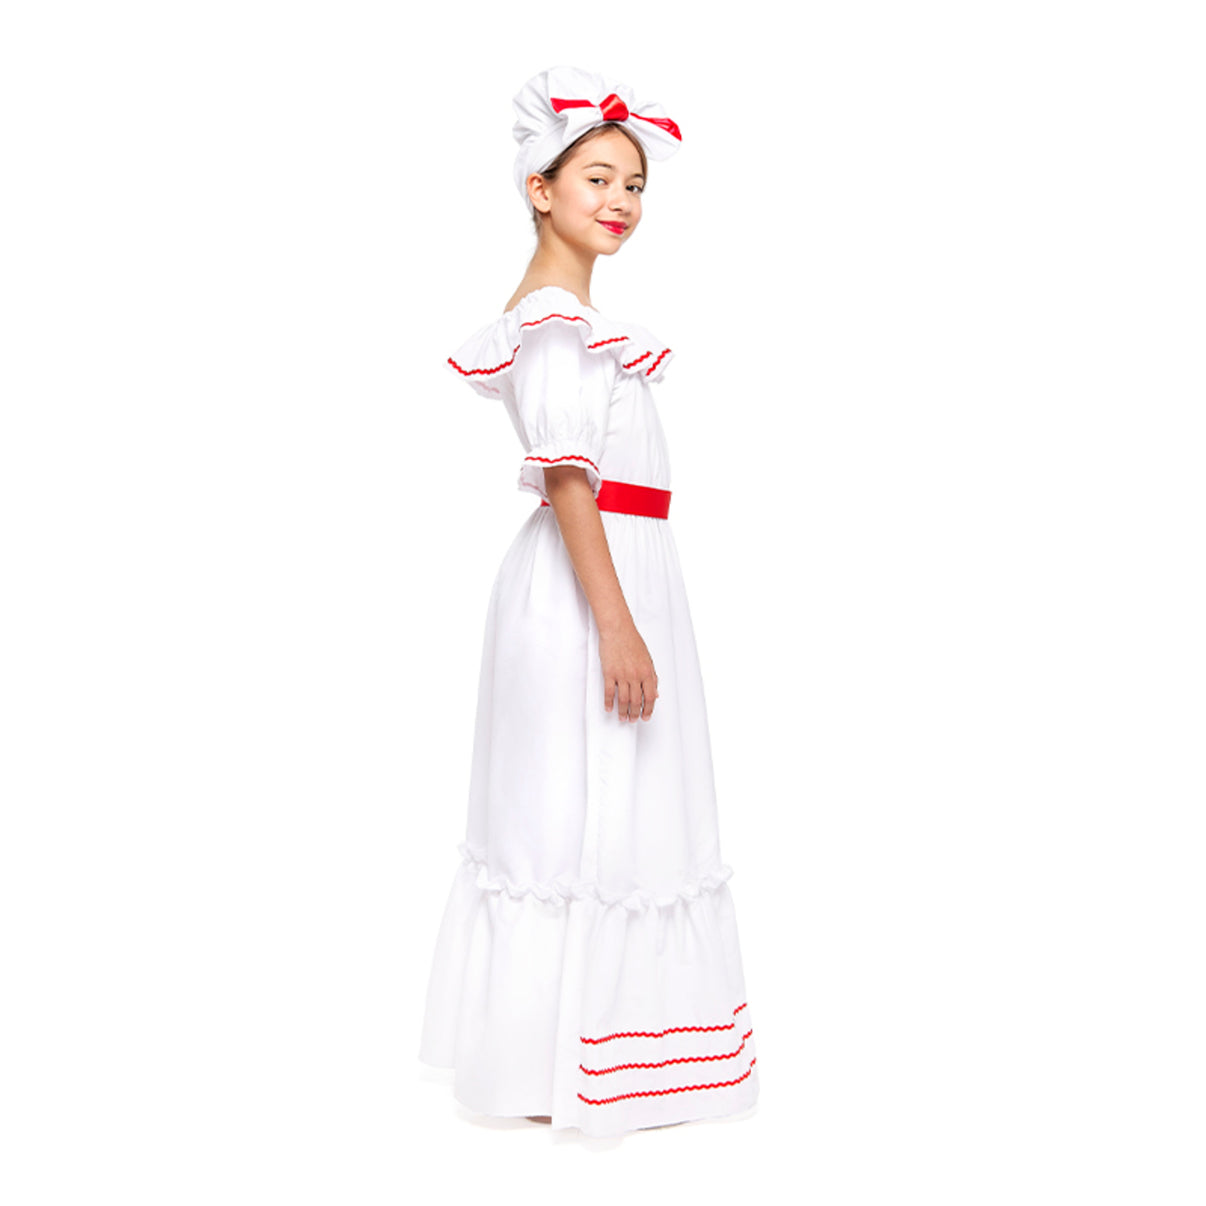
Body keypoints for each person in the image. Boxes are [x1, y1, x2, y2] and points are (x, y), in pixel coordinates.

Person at [417, 66, 760, 1138]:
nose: (621, 200)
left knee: (600, 804)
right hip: (586, 587)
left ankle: (581, 1058)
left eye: (636, 183)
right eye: (598, 177)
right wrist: (618, 624)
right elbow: (571, 480)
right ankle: (549, 1071)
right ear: (541, 189)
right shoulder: (557, 321)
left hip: (620, 566)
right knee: (572, 810)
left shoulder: (573, 317)